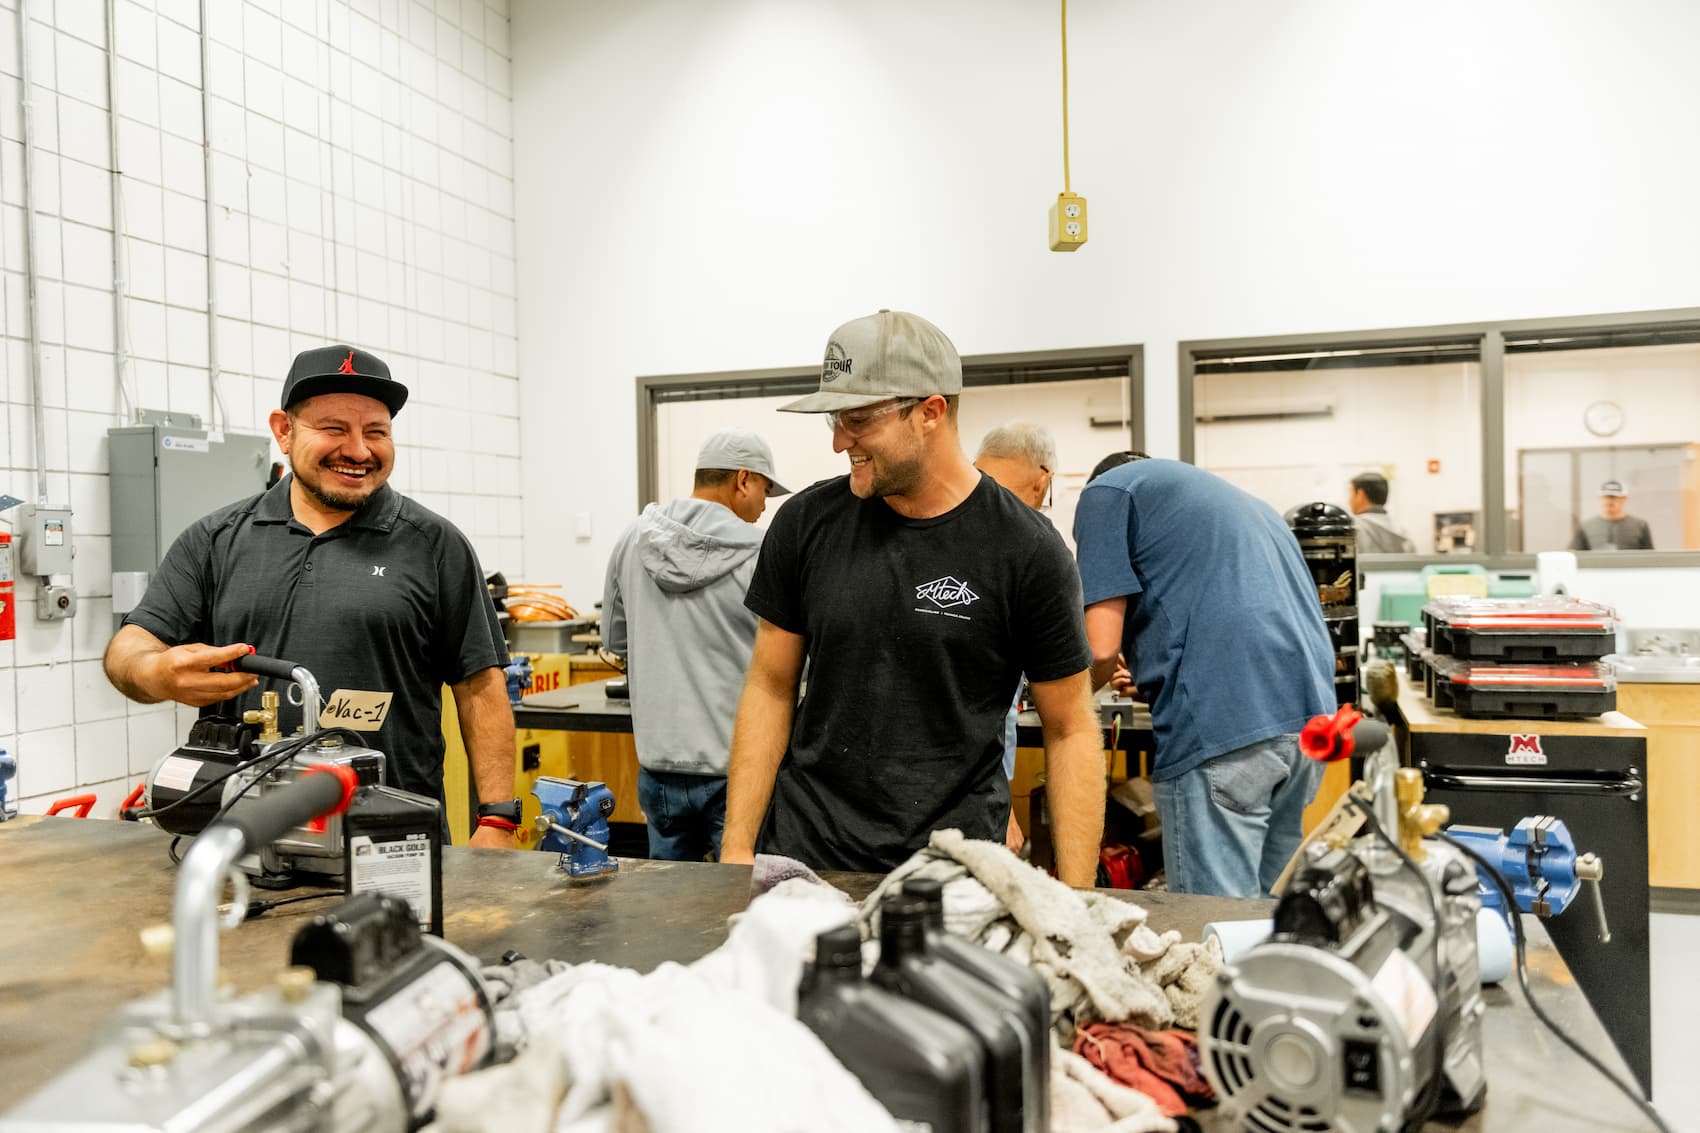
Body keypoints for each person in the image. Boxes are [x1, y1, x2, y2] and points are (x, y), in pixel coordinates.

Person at [719, 310, 1106, 886]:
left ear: (930, 412)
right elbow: (770, 685)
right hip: (809, 856)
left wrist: (1074, 904)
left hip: (955, 870)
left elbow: (1070, 727)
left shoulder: (1026, 549)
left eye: (857, 420)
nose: (837, 442)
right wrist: (736, 850)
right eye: (835, 419)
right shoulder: (804, 523)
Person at [104, 345, 520, 848]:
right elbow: (127, 650)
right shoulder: (216, 539)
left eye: (376, 432)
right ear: (284, 430)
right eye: (334, 429)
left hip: (392, 841)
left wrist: (497, 820)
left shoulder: (432, 543)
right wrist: (158, 672)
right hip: (243, 838)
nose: (359, 451)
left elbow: (480, 685)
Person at [1073, 453, 1335, 898]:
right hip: (1308, 727)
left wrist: (1060, 703)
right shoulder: (1248, 507)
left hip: (1223, 733)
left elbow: (1100, 647)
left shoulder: (1108, 492)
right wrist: (1158, 677)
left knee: (1213, 928)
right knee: (1270, 916)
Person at [601, 428, 790, 861]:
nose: (764, 505)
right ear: (742, 480)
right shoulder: (765, 552)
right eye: (764, 488)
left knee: (670, 911)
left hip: (659, 766)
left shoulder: (632, 539)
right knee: (743, 906)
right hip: (740, 773)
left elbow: (615, 640)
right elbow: (791, 661)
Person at [973, 421, 1059, 854]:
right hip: (968, 793)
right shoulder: (1020, 539)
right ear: (1043, 479)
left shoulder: (945, 510)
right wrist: (1000, 804)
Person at [1572, 480, 1654, 550]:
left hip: (1629, 568)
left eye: (1613, 497)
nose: (1609, 501)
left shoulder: (1640, 525)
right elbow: (1575, 554)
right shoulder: (1586, 526)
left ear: (1624, 499)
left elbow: (1650, 557)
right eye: (1605, 497)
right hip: (1596, 568)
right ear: (1600, 498)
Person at [1348, 471, 1416, 553]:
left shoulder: (1353, 529)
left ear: (1360, 495)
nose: (1349, 501)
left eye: (1351, 494)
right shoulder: (1402, 532)